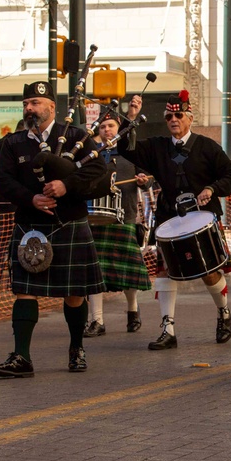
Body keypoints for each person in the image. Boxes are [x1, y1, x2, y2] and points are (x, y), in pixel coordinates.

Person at [0, 82, 109, 378]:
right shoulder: (12, 143)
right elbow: (2, 180)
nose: (30, 108)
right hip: (29, 224)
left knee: (74, 293)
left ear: (52, 107)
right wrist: (31, 198)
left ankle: (76, 348)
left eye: (36, 102)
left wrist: (66, 185)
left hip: (68, 223)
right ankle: (22, 357)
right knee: (24, 290)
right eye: (26, 103)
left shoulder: (76, 137)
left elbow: (98, 173)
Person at [121, 90, 231, 350]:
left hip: (203, 217)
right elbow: (125, 148)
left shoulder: (207, 147)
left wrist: (212, 189)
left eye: (178, 115)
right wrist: (131, 117)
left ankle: (223, 312)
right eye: (169, 116)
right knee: (164, 273)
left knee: (209, 273)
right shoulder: (156, 147)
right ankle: (168, 329)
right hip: (168, 219)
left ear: (189, 118)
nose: (173, 119)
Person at [83, 112, 152, 336]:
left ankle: (132, 310)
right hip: (95, 219)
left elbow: (149, 178)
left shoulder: (130, 154)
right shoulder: (92, 155)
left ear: (118, 127)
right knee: (94, 273)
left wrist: (144, 181)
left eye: (110, 125)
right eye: (102, 126)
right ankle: (97, 321)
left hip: (126, 217)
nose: (106, 130)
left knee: (128, 273)